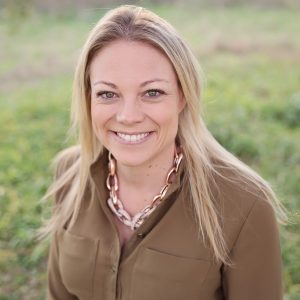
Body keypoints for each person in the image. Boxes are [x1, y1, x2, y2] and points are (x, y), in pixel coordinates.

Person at [41, 5, 287, 300]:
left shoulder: (245, 205)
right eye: (108, 94)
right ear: (88, 98)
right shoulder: (69, 175)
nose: (128, 116)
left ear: (183, 95)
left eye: (152, 93)